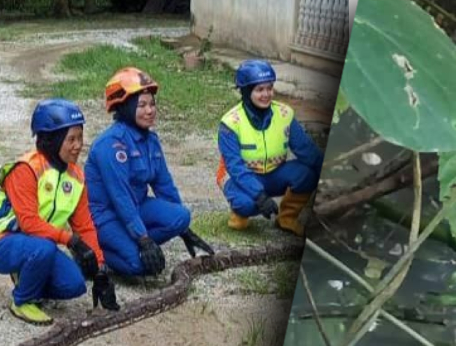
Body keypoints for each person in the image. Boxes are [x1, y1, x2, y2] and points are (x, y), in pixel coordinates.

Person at [0, 98, 119, 326]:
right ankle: (22, 301)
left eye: (80, 137)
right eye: (71, 139)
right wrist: (69, 240)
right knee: (43, 248)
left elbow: (85, 226)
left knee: (74, 284)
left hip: (36, 245)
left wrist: (100, 269)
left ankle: (27, 276)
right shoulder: (26, 169)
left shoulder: (76, 177)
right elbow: (29, 223)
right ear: (52, 140)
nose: (78, 145)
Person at [84, 67, 214, 278]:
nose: (150, 110)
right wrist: (143, 240)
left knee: (181, 216)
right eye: (142, 105)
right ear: (125, 106)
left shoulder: (150, 140)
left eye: (152, 103)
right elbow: (120, 197)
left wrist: (184, 231)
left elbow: (164, 185)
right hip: (107, 216)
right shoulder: (110, 145)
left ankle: (131, 243)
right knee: (139, 266)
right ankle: (95, 251)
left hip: (137, 206)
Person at [216, 59, 324, 237]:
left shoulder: (284, 114)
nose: (266, 94)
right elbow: (235, 167)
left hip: (274, 173)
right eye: (259, 89)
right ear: (246, 91)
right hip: (238, 177)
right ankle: (239, 213)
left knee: (307, 174)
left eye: (269, 88)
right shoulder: (230, 123)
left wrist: (325, 171)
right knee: (248, 204)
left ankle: (286, 218)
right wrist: (260, 196)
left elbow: (306, 149)